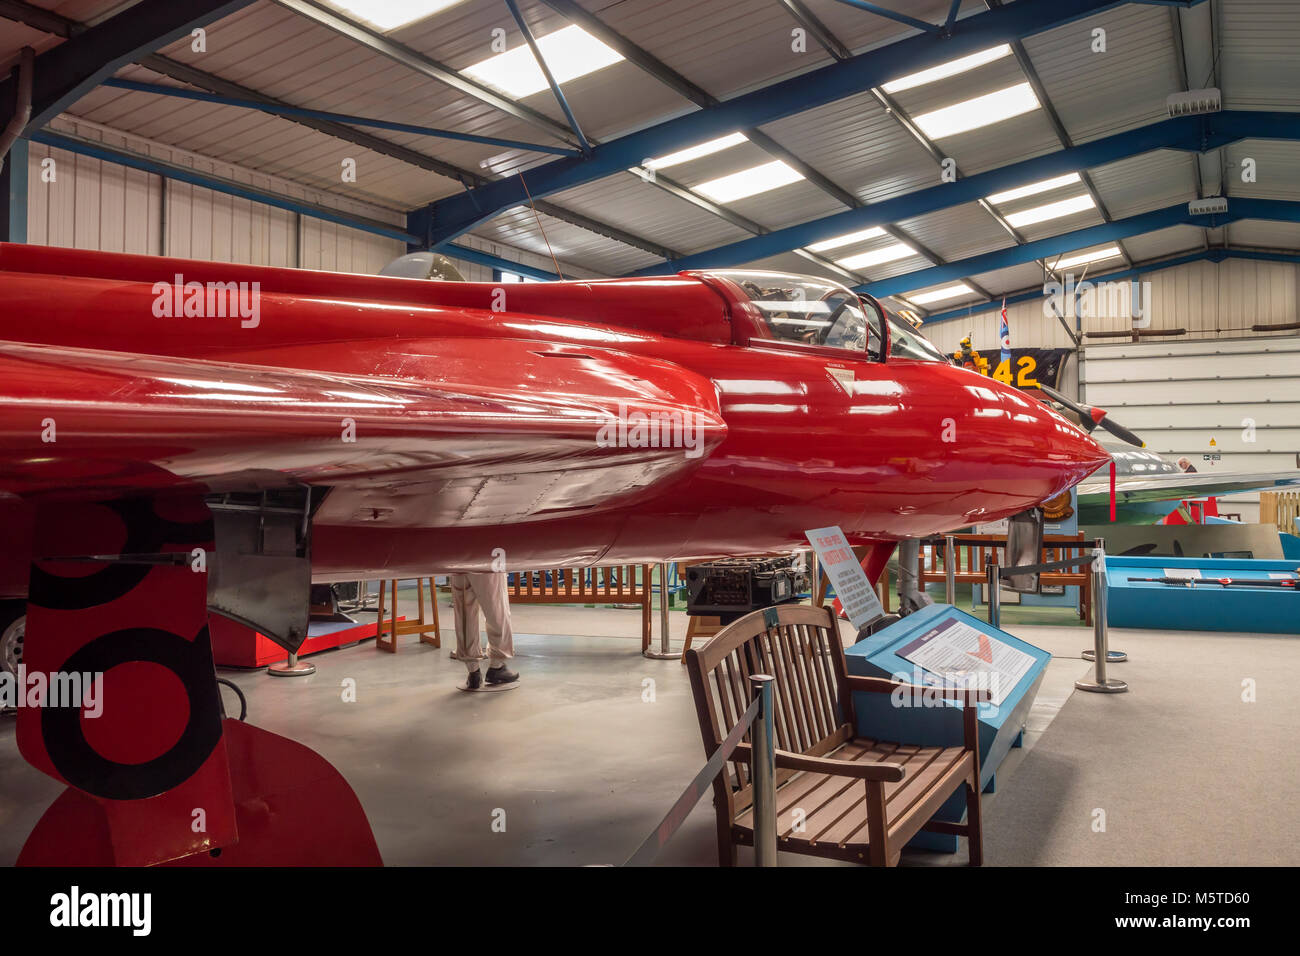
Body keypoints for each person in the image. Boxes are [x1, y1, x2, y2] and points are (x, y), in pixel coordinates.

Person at [448, 572, 518, 688]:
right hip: (486, 561)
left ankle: (473, 672)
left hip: (458, 561)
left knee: (465, 614)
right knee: (496, 610)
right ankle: (497, 667)